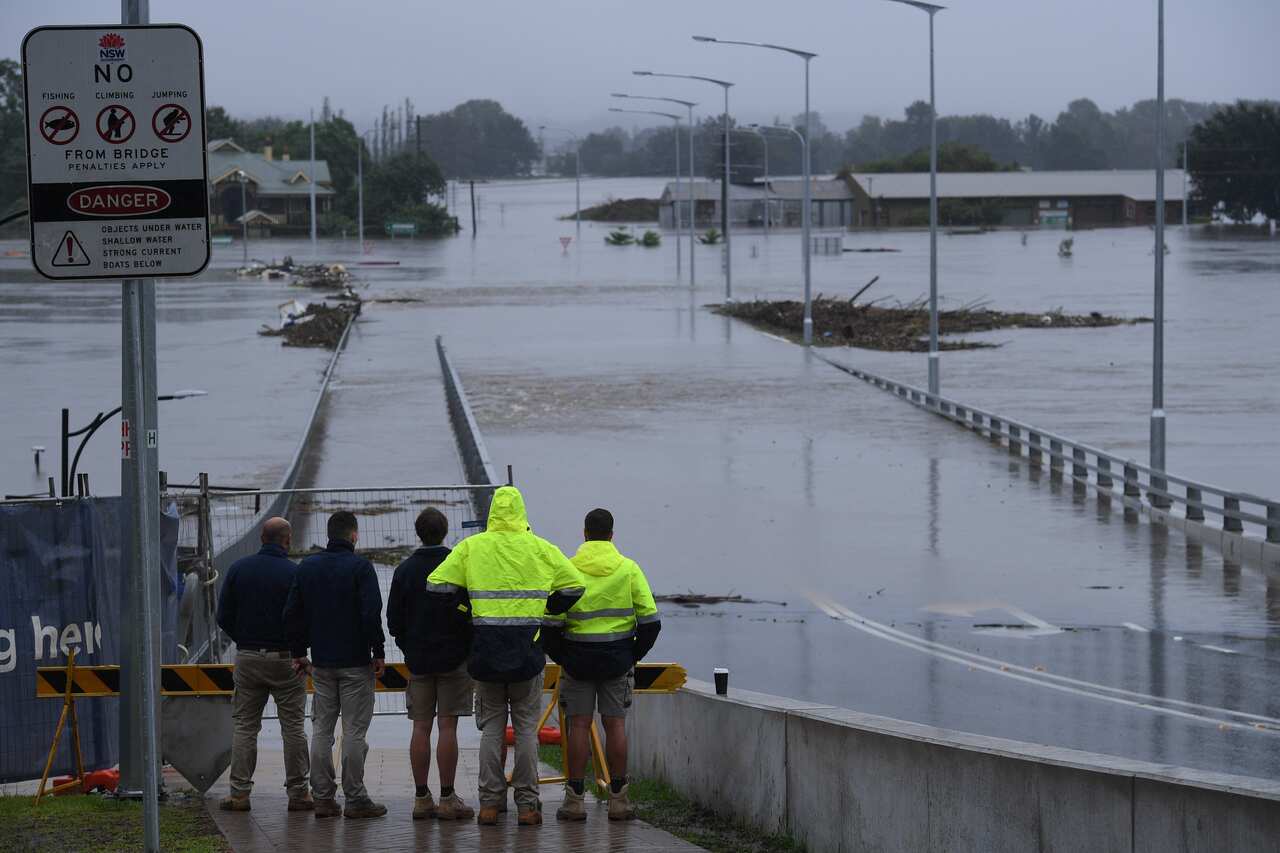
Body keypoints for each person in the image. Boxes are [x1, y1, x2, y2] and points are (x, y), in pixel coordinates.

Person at [426, 486, 585, 827]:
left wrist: (465, 610)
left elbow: (436, 585)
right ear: (522, 513)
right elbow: (574, 587)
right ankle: (528, 805)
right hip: (527, 653)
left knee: (491, 732)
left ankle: (489, 803)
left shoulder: (472, 547)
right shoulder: (542, 548)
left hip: (485, 653)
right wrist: (545, 609)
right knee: (527, 732)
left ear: (493, 513)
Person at [544, 508, 661, 822]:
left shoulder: (567, 570)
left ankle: (575, 800)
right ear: (612, 535)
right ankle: (619, 799)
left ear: (584, 534)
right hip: (616, 661)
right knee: (616, 726)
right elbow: (651, 622)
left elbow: (549, 624)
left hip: (577, 661)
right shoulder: (628, 569)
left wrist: (563, 658)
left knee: (578, 726)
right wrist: (631, 656)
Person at [283, 510, 387, 820]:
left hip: (322, 665)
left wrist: (300, 652)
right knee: (354, 732)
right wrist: (378, 650)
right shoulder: (361, 568)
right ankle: (355, 798)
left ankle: (324, 798)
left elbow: (292, 614)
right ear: (353, 535)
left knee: (321, 731)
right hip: (356, 663)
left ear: (330, 535)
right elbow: (371, 614)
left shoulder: (307, 567)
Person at [215, 517, 312, 813]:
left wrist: (244, 639)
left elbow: (222, 616)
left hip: (247, 657)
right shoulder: (295, 573)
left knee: (245, 726)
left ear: (261, 538)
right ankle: (298, 794)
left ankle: (240, 793)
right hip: (286, 660)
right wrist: (299, 650)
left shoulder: (238, 569)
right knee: (293, 727)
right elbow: (304, 618)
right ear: (287, 540)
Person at [387, 507, 475, 821]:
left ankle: (422, 797)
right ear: (445, 530)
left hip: (419, 660)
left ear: (418, 532)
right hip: (454, 658)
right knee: (447, 726)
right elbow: (470, 612)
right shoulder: (459, 565)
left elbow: (394, 620)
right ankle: (448, 797)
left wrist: (408, 646)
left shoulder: (404, 570)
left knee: (420, 726)